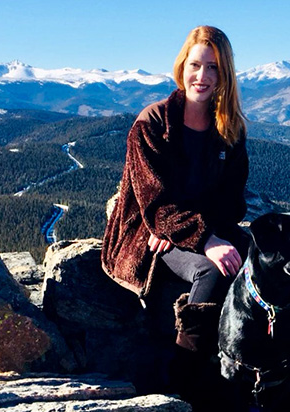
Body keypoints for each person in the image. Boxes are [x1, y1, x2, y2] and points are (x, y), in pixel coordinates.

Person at [101, 25, 249, 410]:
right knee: (211, 271)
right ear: (182, 66)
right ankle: (187, 375)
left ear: (225, 75)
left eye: (213, 68)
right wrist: (202, 238)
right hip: (147, 232)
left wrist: (197, 230)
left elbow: (232, 202)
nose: (202, 76)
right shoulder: (151, 124)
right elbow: (154, 202)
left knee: (254, 253)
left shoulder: (228, 129)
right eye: (196, 65)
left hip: (183, 228)